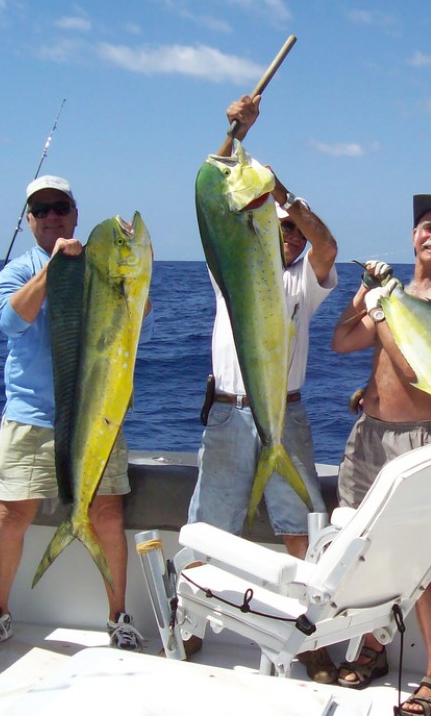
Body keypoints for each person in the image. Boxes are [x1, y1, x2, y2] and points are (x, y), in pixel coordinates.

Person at [186, 95, 339, 683]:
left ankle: (310, 639)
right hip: (227, 413)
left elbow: (326, 248)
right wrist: (234, 132)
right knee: (209, 524)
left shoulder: (305, 281)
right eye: (282, 231)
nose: (291, 239)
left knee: (303, 527)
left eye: (295, 232)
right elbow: (210, 187)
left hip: (284, 412)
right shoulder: (234, 262)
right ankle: (193, 623)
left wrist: (290, 201)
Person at [0, 175, 154, 657]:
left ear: (74, 213)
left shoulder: (102, 265)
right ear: (29, 221)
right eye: (41, 210)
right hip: (33, 418)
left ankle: (118, 618)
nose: (52, 216)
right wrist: (52, 270)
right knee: (12, 514)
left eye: (60, 207)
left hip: (98, 419)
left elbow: (140, 322)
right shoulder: (19, 271)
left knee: (107, 514)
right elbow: (9, 321)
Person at [331, 194, 431, 715]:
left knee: (422, 566)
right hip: (368, 437)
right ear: (414, 237)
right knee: (362, 550)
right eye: (426, 227)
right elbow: (342, 341)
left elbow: (413, 367)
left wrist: (384, 308)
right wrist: (366, 294)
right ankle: (373, 646)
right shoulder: (396, 295)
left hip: (421, 440)